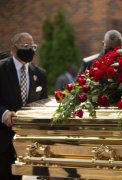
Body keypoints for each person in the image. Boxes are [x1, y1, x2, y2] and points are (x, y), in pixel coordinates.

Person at [0, 32, 48, 179]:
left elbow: (42, 104)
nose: (31, 50)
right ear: (14, 49)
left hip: (25, 142)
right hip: (2, 139)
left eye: (33, 46)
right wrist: (3, 113)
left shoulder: (39, 74)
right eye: (26, 46)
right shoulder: (1, 69)